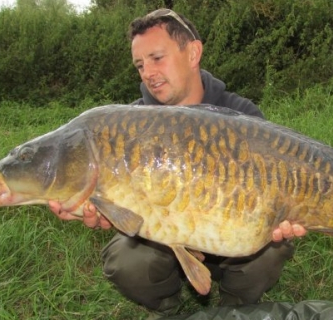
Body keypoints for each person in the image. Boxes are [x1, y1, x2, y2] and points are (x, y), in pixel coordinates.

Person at [48, 8, 306, 316]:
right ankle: (170, 310)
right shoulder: (127, 128)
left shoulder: (241, 115)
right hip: (163, 241)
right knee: (126, 262)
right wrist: (105, 215)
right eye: (140, 65)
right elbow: (123, 209)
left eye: (157, 58)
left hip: (231, 238)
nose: (148, 72)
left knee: (272, 247)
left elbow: (279, 181)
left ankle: (236, 308)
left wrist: (287, 212)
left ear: (193, 52)